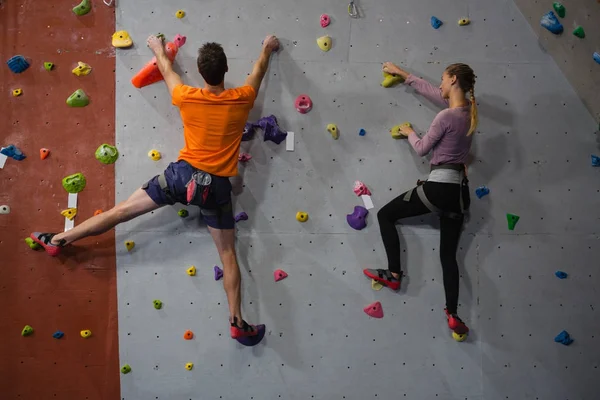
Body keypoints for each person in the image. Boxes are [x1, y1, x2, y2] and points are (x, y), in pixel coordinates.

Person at [31, 34, 281, 341]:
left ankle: (59, 239)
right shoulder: (242, 98)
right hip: (215, 187)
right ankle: (236, 321)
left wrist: (157, 48)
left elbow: (166, 70)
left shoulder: (186, 96)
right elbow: (258, 71)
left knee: (121, 211)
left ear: (201, 73)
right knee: (228, 254)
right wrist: (266, 48)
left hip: (181, 177)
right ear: (225, 70)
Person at [363, 62, 478, 336]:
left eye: (442, 79)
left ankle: (393, 275)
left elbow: (422, 150)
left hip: (437, 189)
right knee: (448, 256)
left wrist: (409, 133)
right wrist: (405, 75)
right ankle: (452, 313)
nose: (439, 85)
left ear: (453, 79)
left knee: (384, 215)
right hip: (459, 196)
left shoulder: (445, 118)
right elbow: (437, 95)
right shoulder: (470, 112)